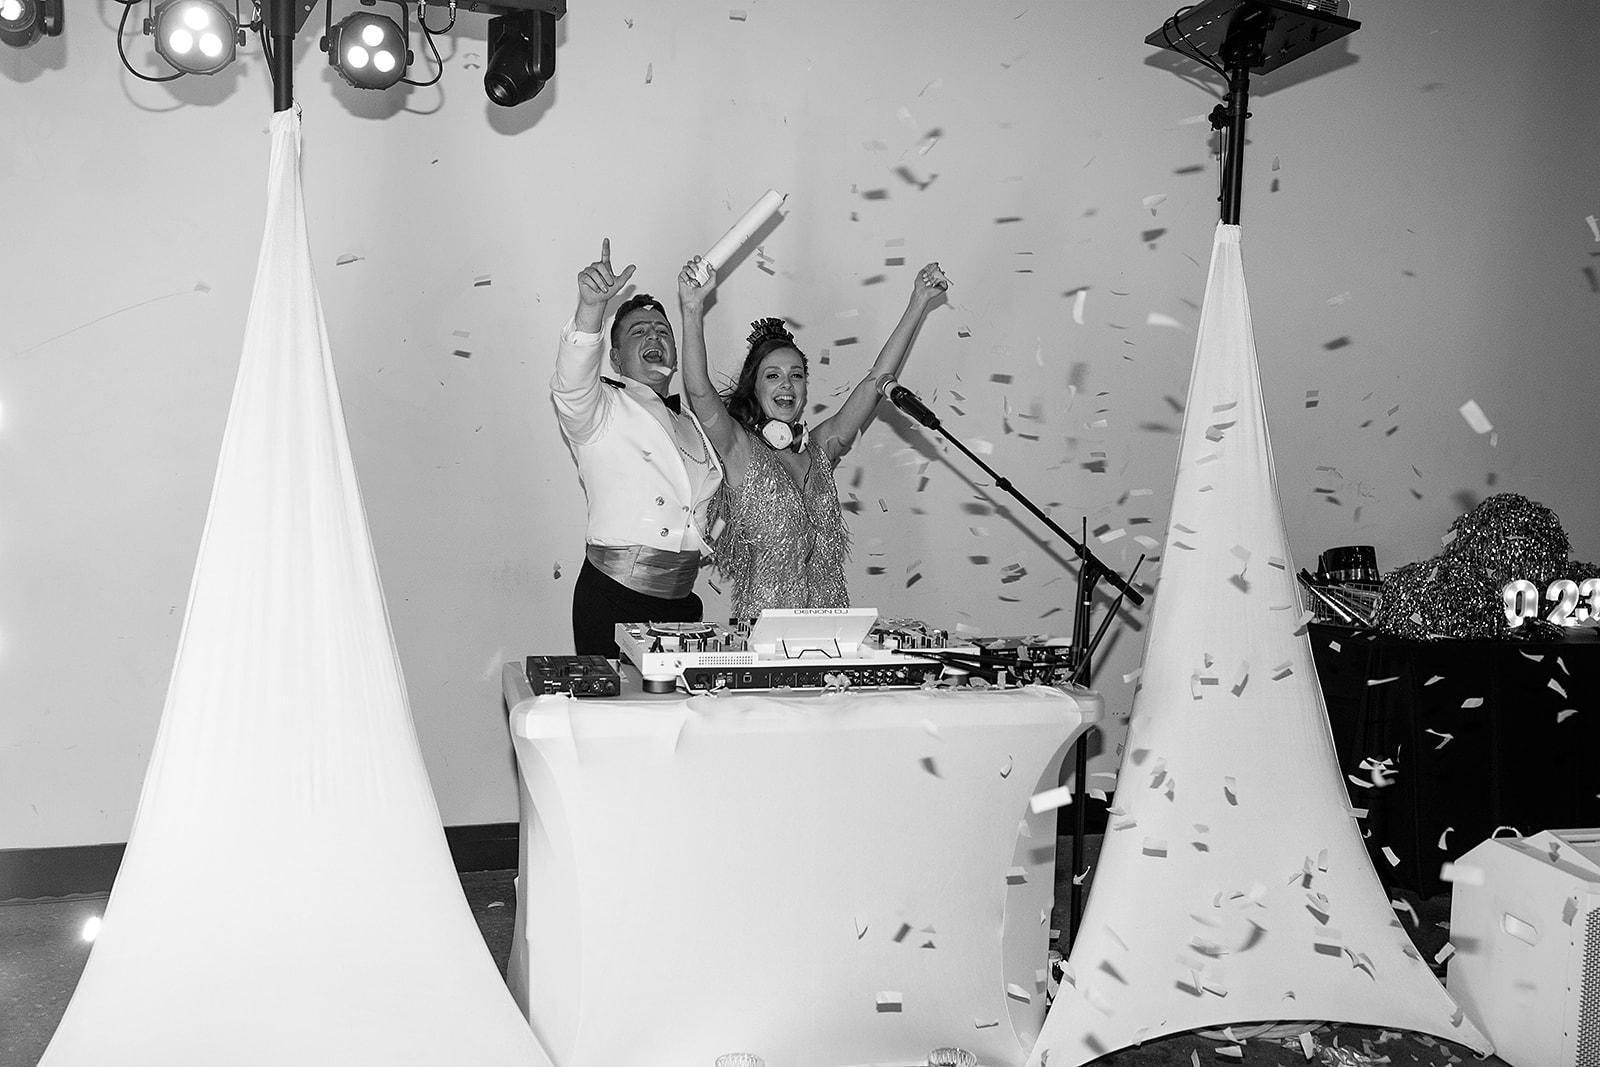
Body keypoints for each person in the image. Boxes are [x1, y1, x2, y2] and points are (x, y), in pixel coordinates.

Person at [676, 258, 949, 621]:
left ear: (805, 387)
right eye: (772, 375)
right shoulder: (739, 449)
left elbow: (876, 381)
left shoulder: (821, 449)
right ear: (754, 387)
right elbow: (700, 392)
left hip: (834, 631)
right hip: (767, 636)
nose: (786, 384)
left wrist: (918, 302)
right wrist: (692, 310)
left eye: (796, 375)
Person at [551, 239, 725, 657]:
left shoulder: (695, 422)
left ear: (675, 355)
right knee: (616, 703)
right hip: (613, 599)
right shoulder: (602, 408)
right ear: (615, 358)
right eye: (639, 331)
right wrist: (591, 307)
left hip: (683, 604)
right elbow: (571, 386)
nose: (654, 336)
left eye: (663, 331)